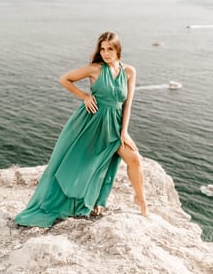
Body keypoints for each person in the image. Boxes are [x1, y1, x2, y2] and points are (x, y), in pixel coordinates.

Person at [14, 31, 147, 228]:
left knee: (134, 159)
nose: (105, 53)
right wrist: (84, 96)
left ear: (118, 49)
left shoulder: (129, 72)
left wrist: (124, 131)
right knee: (81, 164)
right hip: (91, 123)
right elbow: (65, 79)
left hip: (115, 124)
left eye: (110, 49)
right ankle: (79, 203)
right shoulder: (94, 69)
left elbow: (128, 104)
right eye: (102, 49)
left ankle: (141, 200)